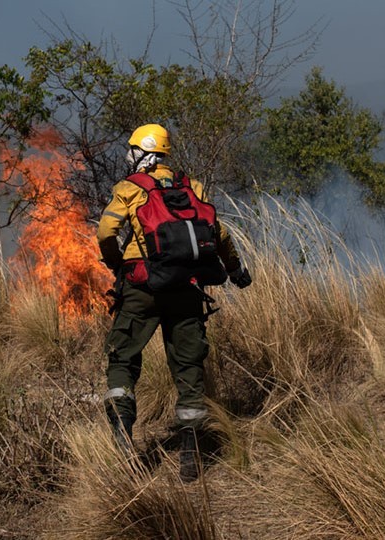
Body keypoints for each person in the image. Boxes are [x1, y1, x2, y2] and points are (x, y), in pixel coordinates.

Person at [97, 124, 252, 482]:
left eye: (132, 149)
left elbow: (106, 232)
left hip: (142, 286)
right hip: (187, 286)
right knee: (188, 368)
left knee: (122, 358)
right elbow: (219, 232)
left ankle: (123, 440)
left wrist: (115, 262)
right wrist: (235, 269)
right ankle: (190, 455)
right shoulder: (192, 186)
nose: (128, 156)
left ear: (144, 152)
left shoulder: (129, 188)